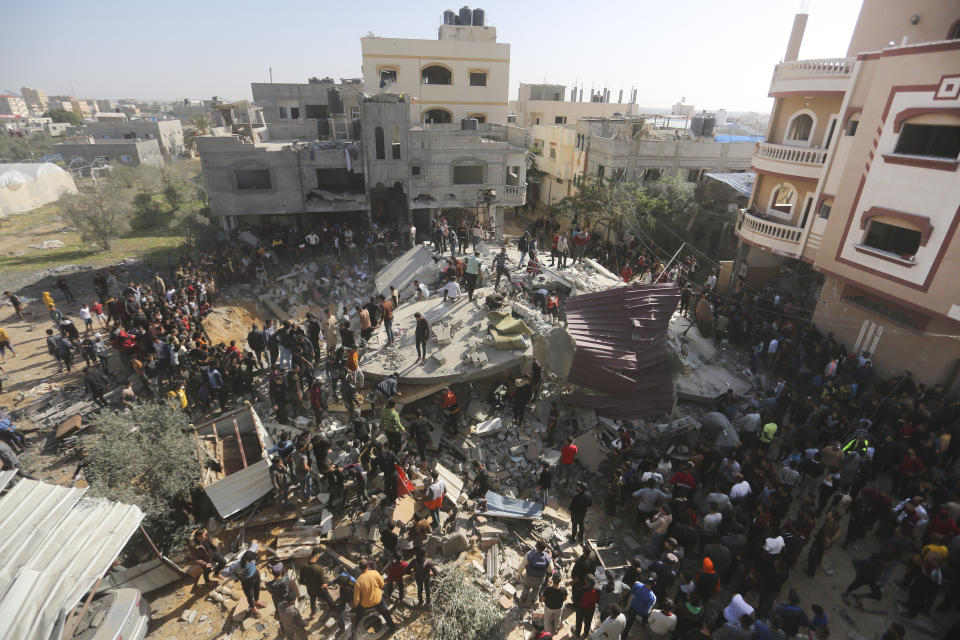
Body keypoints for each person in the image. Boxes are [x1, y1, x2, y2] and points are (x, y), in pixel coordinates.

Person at [353, 560, 395, 635]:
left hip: (366, 604)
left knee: (358, 613)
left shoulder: (358, 581)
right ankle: (392, 627)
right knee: (385, 613)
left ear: (359, 568)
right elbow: (382, 585)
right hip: (377, 600)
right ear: (368, 565)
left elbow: (356, 599)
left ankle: (355, 628)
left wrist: (357, 606)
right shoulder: (375, 573)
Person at [518, 541, 553, 608]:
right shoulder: (547, 557)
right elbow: (550, 570)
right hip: (540, 578)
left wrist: (519, 574)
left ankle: (523, 599)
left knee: (526, 587)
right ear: (544, 548)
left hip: (529, 577)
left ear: (536, 547)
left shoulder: (529, 554)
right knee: (536, 589)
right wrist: (549, 558)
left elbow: (522, 566)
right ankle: (533, 600)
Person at [239, 549, 266, 617]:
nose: (253, 561)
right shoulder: (238, 565)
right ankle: (253, 608)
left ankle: (256, 601)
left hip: (255, 574)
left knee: (257, 589)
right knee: (250, 595)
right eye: (252, 560)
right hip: (247, 581)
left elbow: (255, 547)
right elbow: (228, 572)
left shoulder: (251, 556)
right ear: (247, 559)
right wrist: (238, 577)